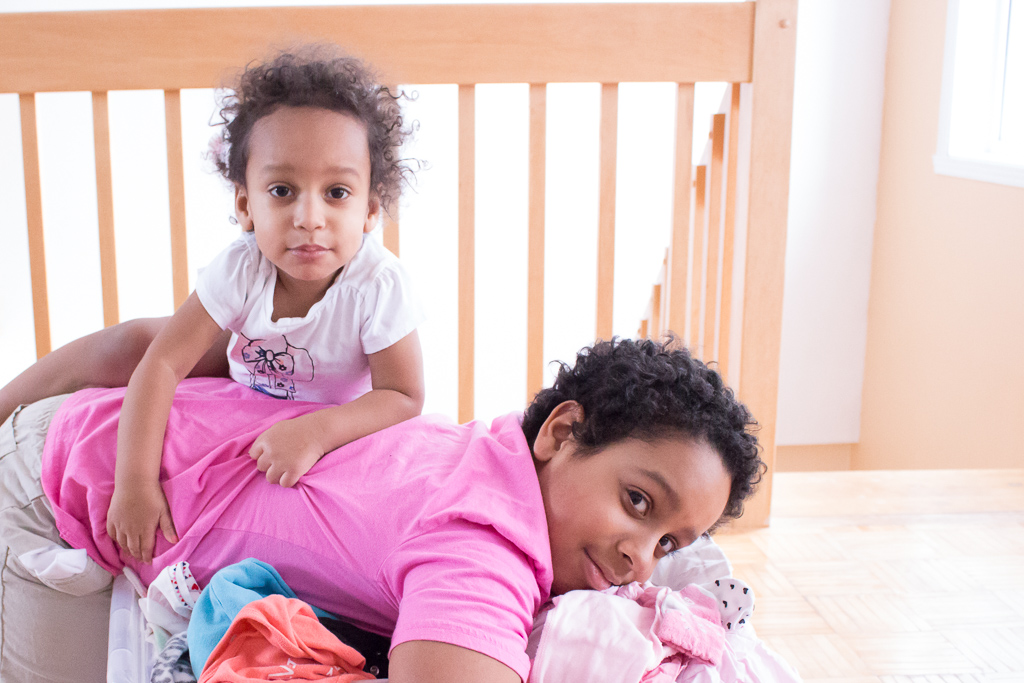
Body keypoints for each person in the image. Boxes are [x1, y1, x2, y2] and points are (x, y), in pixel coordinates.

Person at [0, 337, 764, 683]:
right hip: (58, 484)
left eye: (670, 542)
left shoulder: (491, 449)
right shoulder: (481, 546)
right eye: (637, 502)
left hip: (146, 418)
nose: (640, 555)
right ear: (562, 433)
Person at [1, 47, 428, 566]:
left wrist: (318, 430)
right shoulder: (242, 267)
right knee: (136, 344)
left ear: (371, 210)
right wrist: (133, 483)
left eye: (337, 192)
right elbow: (160, 364)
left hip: (332, 410)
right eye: (282, 190)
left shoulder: (378, 284)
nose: (309, 216)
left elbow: (402, 395)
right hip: (242, 372)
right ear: (246, 204)